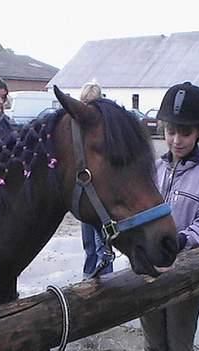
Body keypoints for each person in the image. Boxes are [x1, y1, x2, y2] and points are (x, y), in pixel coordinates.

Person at [140, 82, 199, 351]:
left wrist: (182, 240)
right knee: (153, 341)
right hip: (150, 272)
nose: (176, 140)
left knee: (179, 342)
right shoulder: (154, 170)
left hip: (186, 274)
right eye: (171, 131)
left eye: (185, 132)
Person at [79, 81, 114, 278]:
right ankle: (88, 276)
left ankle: (106, 278)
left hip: (101, 193)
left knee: (103, 241)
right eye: (85, 103)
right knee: (88, 241)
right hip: (86, 191)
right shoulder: (80, 126)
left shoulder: (105, 127)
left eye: (91, 103)